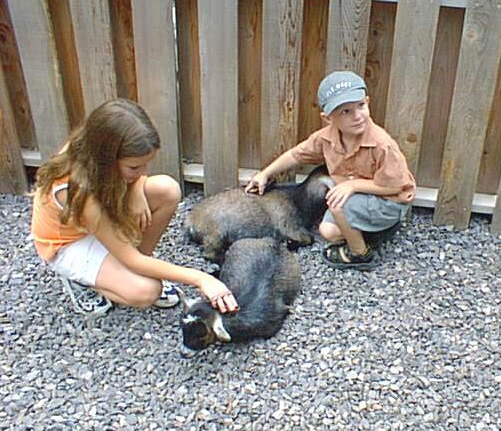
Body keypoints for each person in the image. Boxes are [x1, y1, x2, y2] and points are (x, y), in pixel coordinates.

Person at [31, 98, 239, 315]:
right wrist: (201, 278)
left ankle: (133, 271)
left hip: (99, 218)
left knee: (167, 190)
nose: (144, 170)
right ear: (106, 158)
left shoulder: (92, 147)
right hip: (69, 242)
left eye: (146, 164)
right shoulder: (78, 191)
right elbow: (130, 257)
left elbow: (134, 185)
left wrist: (137, 185)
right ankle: (82, 281)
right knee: (147, 291)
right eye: (135, 167)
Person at [246, 71, 416, 270]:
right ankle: (376, 232)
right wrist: (265, 174)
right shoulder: (326, 138)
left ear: (367, 101)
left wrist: (352, 185)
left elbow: (396, 186)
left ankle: (361, 255)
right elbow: (296, 155)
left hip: (388, 201)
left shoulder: (382, 145)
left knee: (338, 206)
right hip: (358, 197)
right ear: (328, 117)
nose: (357, 116)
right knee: (328, 232)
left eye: (361, 106)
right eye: (345, 111)